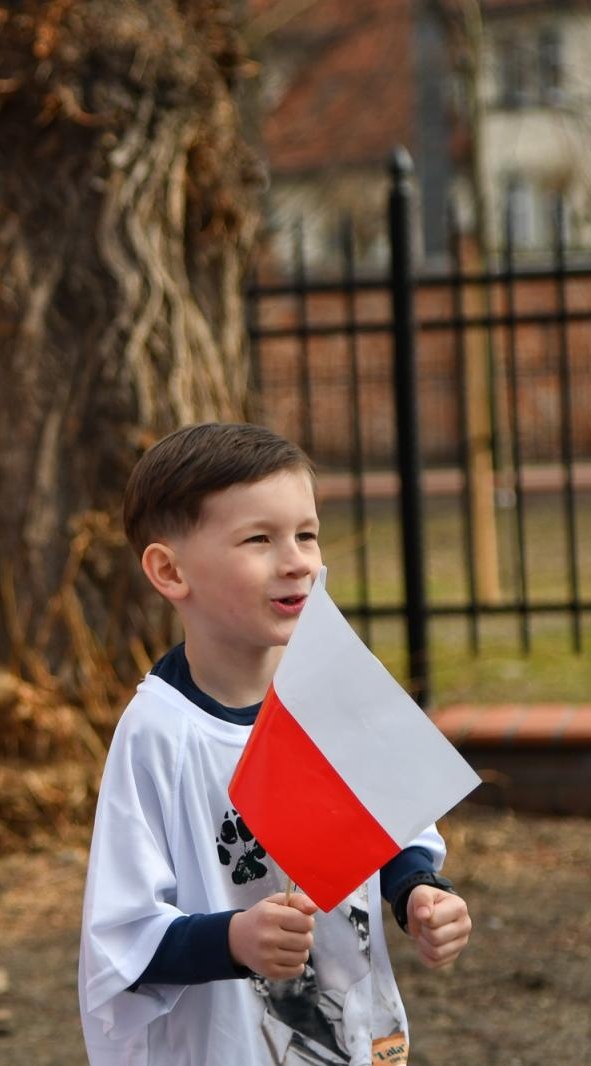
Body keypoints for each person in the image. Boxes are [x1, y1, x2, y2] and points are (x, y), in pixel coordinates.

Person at [78, 423, 474, 1065]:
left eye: (307, 534)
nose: (297, 561)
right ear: (170, 570)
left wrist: (422, 894)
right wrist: (234, 939)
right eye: (259, 539)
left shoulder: (335, 686)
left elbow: (389, 836)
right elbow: (123, 941)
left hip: (353, 1039)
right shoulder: (158, 732)